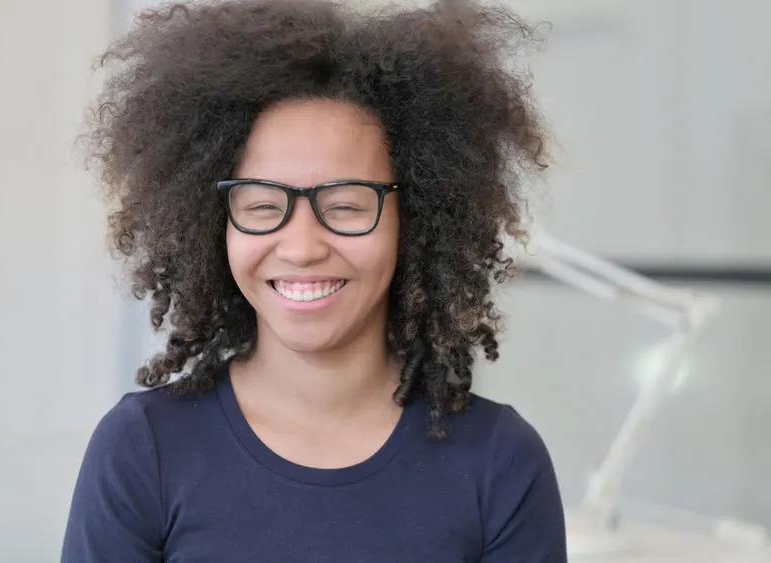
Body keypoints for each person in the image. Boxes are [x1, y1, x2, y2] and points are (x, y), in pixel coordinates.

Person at [62, 0, 566, 561]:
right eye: (261, 205)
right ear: (213, 224)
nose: (301, 248)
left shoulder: (501, 463)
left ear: (418, 218)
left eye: (347, 205)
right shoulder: (142, 450)